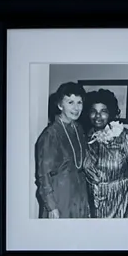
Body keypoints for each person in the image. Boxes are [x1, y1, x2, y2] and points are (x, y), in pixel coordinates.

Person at [83, 89, 128, 219]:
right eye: (93, 111)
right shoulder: (85, 138)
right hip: (91, 208)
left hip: (119, 206)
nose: (98, 116)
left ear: (110, 112)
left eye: (103, 111)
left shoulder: (124, 136)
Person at [34, 82, 91, 219]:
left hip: (80, 194)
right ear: (60, 105)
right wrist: (52, 207)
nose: (76, 108)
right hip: (59, 196)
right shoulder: (50, 135)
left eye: (79, 102)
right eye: (70, 102)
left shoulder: (79, 129)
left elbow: (82, 162)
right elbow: (43, 175)